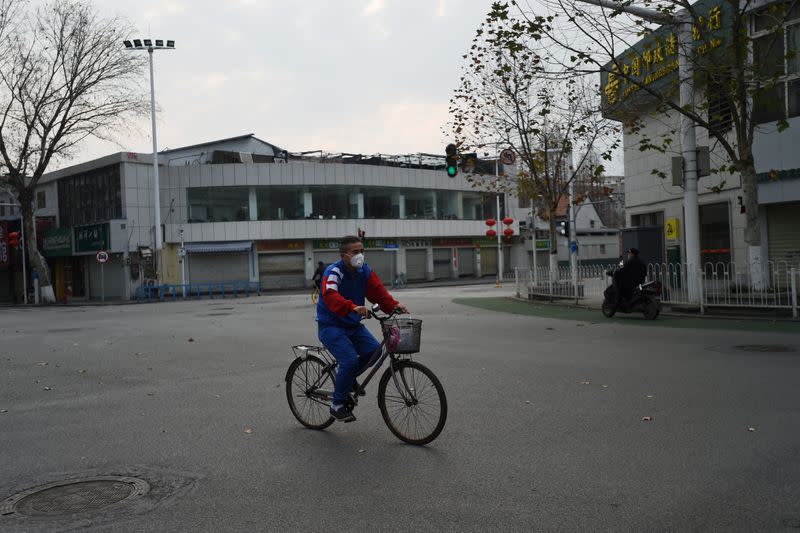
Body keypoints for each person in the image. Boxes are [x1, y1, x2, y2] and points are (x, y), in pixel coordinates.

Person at [316, 236, 408, 422]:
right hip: (331, 326)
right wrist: (352, 307)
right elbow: (331, 296)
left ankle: (346, 379)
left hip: (352, 325)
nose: (360, 255)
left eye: (362, 251)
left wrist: (394, 306)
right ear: (344, 256)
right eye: (355, 252)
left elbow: (379, 294)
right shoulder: (333, 272)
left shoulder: (364, 271)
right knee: (349, 361)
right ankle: (337, 405)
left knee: (375, 352)